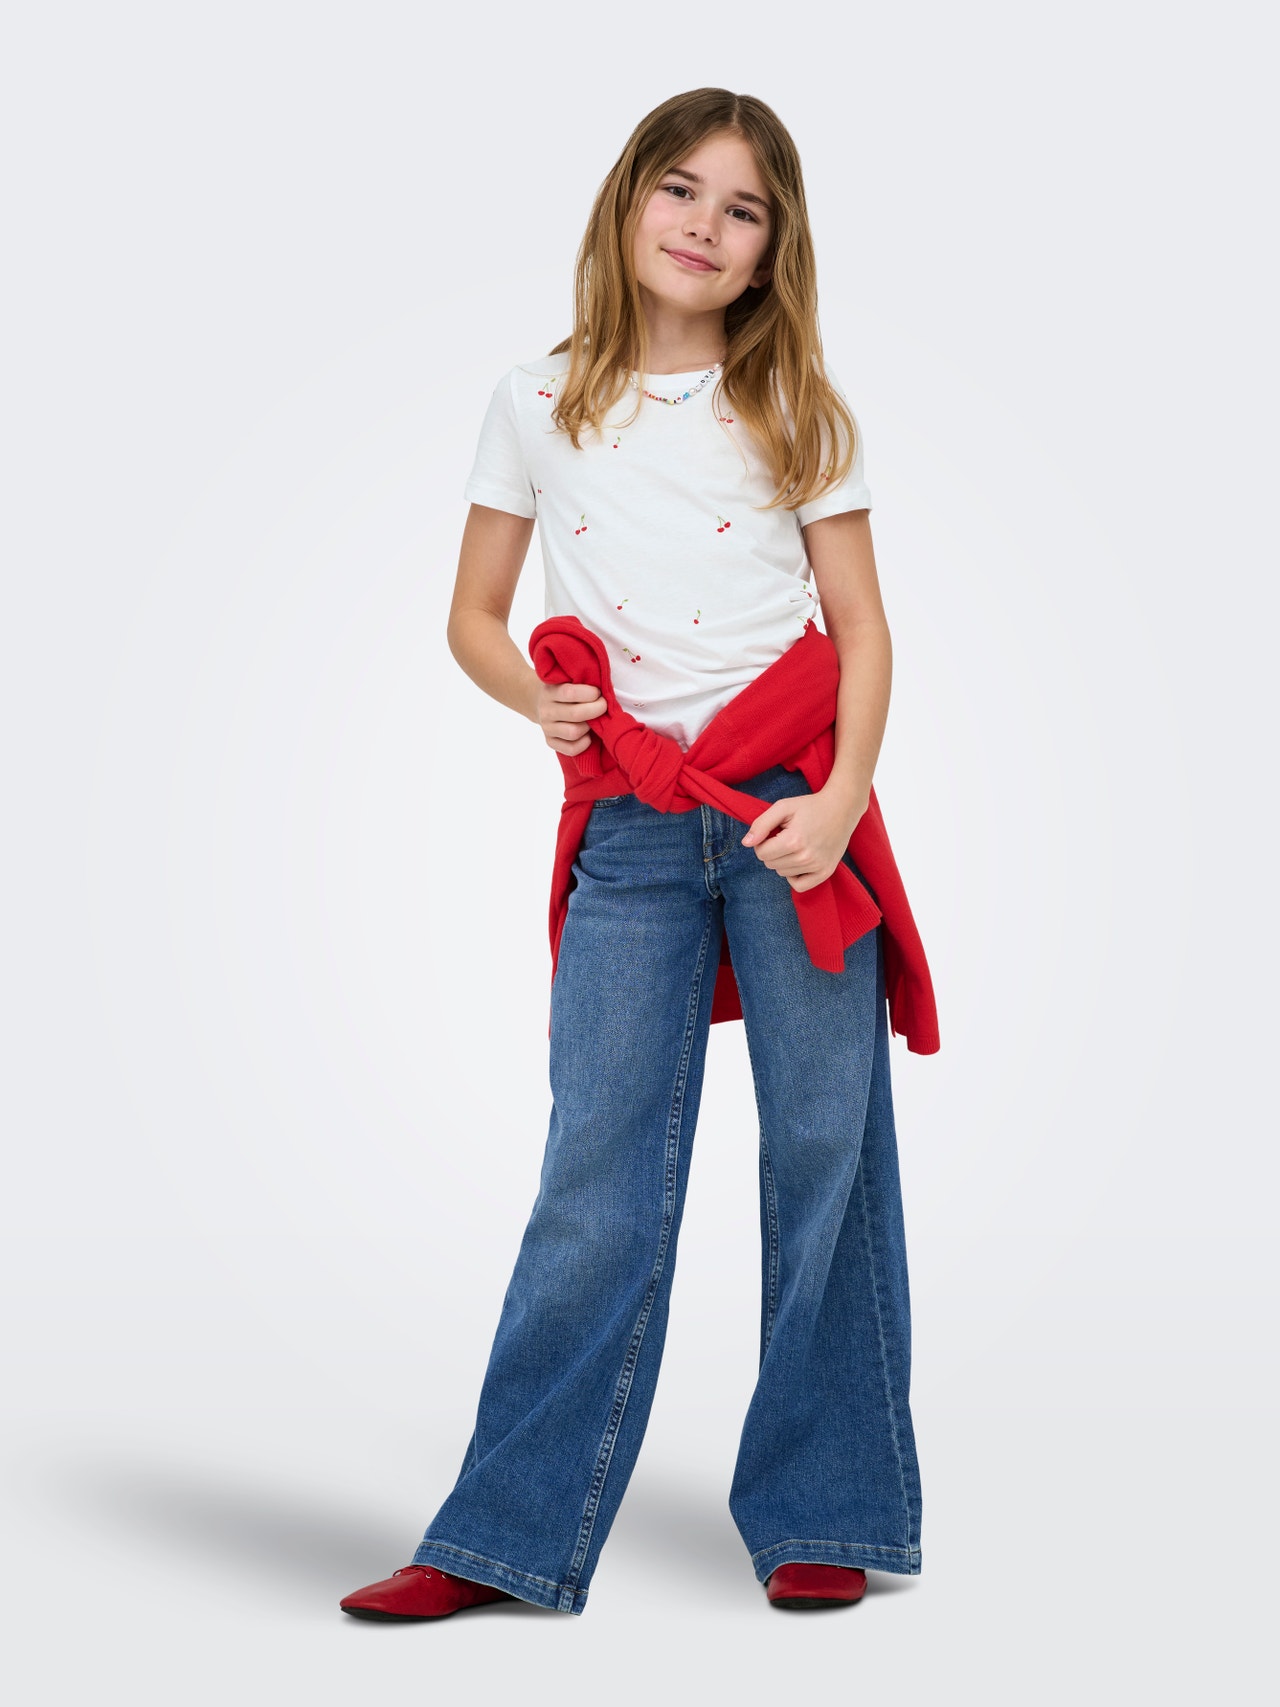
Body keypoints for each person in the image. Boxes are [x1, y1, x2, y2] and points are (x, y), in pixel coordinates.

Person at [340, 86, 938, 1624]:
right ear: (626, 204)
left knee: (826, 1151)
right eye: (681, 190)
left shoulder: (798, 407)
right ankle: (503, 1535)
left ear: (771, 251)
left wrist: (843, 798)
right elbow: (475, 613)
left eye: (743, 210)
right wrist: (528, 693)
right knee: (597, 1172)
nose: (704, 225)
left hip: (792, 819)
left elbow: (864, 629)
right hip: (634, 827)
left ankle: (826, 1506)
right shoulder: (536, 400)